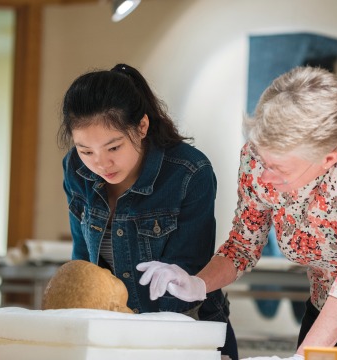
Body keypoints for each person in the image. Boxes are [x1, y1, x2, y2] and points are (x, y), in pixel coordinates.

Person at [137, 66, 337, 359]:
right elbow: (243, 246)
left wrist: (302, 356)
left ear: (327, 159)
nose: (263, 177)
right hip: (323, 311)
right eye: (262, 160)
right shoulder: (257, 158)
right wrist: (198, 282)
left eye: (278, 169)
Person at [58, 63, 238, 359]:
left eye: (113, 148)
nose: (101, 164)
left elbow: (186, 273)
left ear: (141, 127)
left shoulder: (189, 172)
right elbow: (83, 266)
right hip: (112, 335)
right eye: (86, 151)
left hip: (185, 331)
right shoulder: (75, 169)